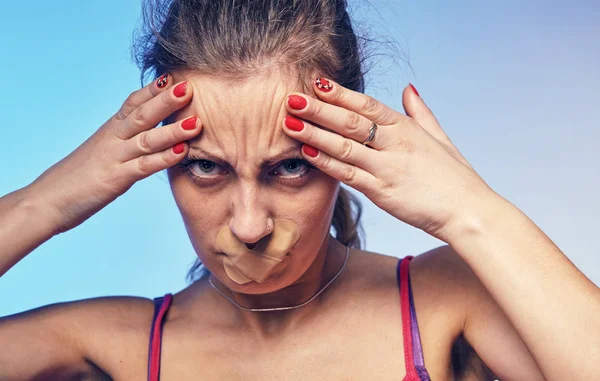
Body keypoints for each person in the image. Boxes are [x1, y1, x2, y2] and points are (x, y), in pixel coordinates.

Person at [1, 0, 598, 380]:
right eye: (207, 168)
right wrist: (42, 203)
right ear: (156, 157)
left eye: (289, 169)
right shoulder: (114, 349)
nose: (249, 226)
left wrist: (473, 213)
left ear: (345, 155)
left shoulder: (446, 305)